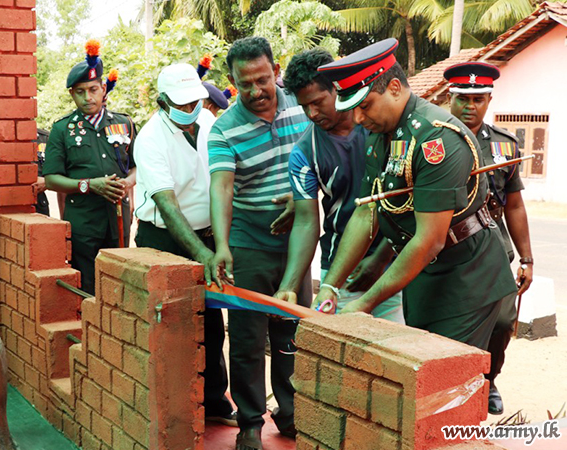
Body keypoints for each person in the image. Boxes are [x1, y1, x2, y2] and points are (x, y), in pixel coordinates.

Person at [315, 38, 517, 352]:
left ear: (394, 87)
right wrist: (331, 286)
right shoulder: (382, 134)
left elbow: (429, 240)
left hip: (466, 279)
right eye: (352, 109)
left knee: (446, 380)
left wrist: (363, 304)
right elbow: (367, 211)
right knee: (422, 374)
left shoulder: (437, 140)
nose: (357, 118)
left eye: (364, 105)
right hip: (424, 275)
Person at [208, 36, 311, 449]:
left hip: (298, 237)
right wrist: (222, 245)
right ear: (231, 81)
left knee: (292, 331)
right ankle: (250, 422)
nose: (255, 91)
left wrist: (302, 199)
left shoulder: (302, 105)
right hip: (248, 239)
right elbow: (222, 189)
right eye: (244, 83)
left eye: (263, 79)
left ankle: (290, 413)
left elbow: (322, 156)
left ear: (276, 71)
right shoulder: (223, 128)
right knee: (248, 337)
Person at [133, 63, 236, 427]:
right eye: (182, 103)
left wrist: (214, 244)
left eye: (196, 101)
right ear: (162, 102)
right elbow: (167, 205)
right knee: (168, 324)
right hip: (162, 238)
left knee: (210, 323)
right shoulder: (149, 139)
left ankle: (215, 404)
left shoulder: (209, 124)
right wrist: (201, 254)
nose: (191, 108)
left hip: (206, 235)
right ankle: (167, 407)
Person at [275, 49, 404, 323]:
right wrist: (289, 285)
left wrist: (381, 259)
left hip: (395, 264)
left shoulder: (381, 127)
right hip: (339, 274)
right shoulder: (303, 153)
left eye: (318, 102)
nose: (311, 113)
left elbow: (408, 205)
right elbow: (307, 222)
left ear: (338, 89)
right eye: (303, 106)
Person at [444, 62, 533, 414]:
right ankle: (451, 386)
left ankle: (488, 380)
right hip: (448, 245)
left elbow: (514, 205)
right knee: (450, 325)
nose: (470, 106)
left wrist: (526, 258)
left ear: (489, 100)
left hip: (494, 246)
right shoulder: (434, 141)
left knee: (500, 322)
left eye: (478, 99)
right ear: (450, 99)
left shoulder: (505, 146)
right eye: (463, 98)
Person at [43, 40, 137, 295]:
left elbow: (137, 167)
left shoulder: (124, 123)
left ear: (103, 89)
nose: (88, 97)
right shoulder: (62, 129)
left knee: (118, 283)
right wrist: (87, 185)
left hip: (118, 217)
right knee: (87, 287)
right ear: (72, 94)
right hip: (83, 221)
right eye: (80, 91)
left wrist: (128, 182)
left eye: (93, 89)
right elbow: (51, 179)